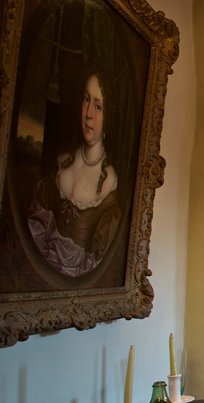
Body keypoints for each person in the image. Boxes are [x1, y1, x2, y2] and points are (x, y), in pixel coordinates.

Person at [27, 67, 121, 277]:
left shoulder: (109, 182)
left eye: (98, 106)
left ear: (109, 116)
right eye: (86, 100)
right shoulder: (64, 161)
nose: (88, 114)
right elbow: (37, 224)